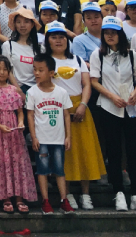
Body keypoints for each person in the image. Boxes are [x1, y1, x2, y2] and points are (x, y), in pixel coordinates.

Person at [90, 16, 136, 212]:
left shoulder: (131, 55)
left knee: (133, 152)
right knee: (113, 152)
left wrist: (135, 93)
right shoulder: (97, 55)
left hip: (132, 107)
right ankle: (119, 193)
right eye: (107, 33)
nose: (110, 36)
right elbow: (94, 80)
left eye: (113, 33)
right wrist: (112, 96)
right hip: (109, 107)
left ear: (120, 35)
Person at [44, 21, 104, 211]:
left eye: (62, 36)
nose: (59, 40)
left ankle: (85, 194)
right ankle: (67, 193)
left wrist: (83, 105)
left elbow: (86, 84)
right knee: (65, 153)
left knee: (84, 150)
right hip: (57, 110)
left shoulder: (78, 60)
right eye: (53, 37)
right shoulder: (45, 62)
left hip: (80, 108)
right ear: (48, 40)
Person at [25, 54, 75, 214]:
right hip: (42, 139)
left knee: (59, 170)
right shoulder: (32, 92)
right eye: (34, 69)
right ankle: (45, 201)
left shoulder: (61, 92)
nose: (37, 73)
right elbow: (30, 115)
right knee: (43, 170)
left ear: (52, 72)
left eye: (41, 70)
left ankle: (63, 199)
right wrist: (33, 137)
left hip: (59, 138)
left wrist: (68, 136)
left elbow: (66, 114)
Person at [0, 56, 37, 213]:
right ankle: (6, 198)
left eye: (5, 69)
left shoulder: (13, 89)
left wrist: (21, 123)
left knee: (17, 162)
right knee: (1, 162)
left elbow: (20, 111)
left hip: (14, 131)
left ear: (9, 71)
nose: (1, 72)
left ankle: (19, 198)